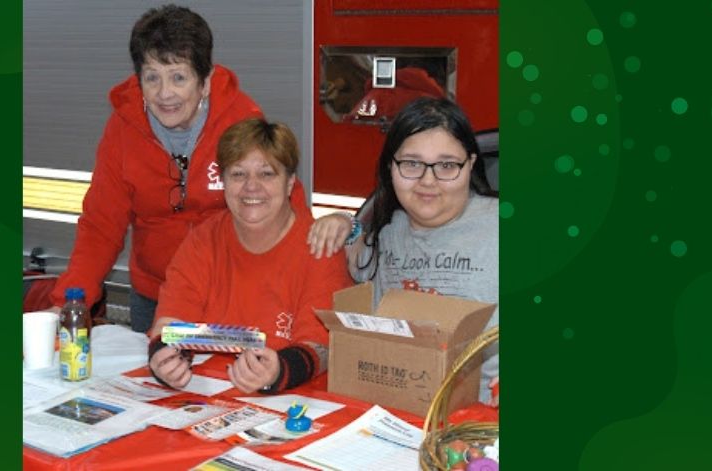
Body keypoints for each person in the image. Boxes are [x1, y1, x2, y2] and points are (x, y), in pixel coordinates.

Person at [49, 5, 305, 332]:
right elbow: (101, 226)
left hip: (228, 295)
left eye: (179, 77)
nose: (164, 93)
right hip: (154, 297)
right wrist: (69, 302)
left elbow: (286, 206)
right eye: (152, 77)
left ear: (206, 82)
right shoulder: (122, 130)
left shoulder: (240, 121)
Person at [306, 97, 499, 403]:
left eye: (447, 165)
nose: (427, 181)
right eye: (412, 164)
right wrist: (343, 221)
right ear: (391, 166)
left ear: (471, 164)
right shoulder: (389, 230)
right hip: (399, 407)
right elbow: (356, 249)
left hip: (482, 419)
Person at [148, 119, 353, 394]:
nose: (251, 187)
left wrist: (279, 370)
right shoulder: (203, 239)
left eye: (267, 174)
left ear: (290, 183)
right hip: (206, 396)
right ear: (222, 181)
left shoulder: (320, 246)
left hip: (294, 405)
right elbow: (170, 321)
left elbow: (322, 348)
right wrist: (165, 358)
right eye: (238, 174)